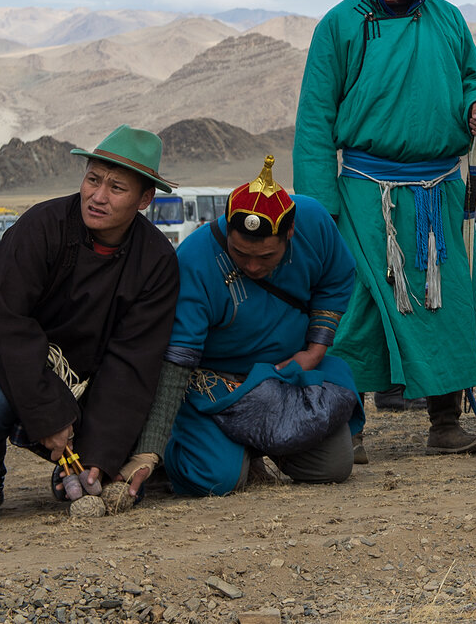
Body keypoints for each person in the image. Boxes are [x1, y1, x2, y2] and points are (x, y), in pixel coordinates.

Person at [293, 0, 476, 458]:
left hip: (440, 188)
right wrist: (318, 206)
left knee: (448, 303)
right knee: (360, 308)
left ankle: (445, 423)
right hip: (365, 192)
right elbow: (315, 121)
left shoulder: (448, 19)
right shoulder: (340, 25)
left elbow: (473, 82)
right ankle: (345, 430)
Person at [0, 126, 181, 521]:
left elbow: (132, 362)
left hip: (87, 385)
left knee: (110, 450)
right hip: (10, 360)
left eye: (117, 188)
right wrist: (49, 415)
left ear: (145, 199)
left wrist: (99, 460)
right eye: (92, 180)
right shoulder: (41, 226)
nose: (98, 196)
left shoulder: (156, 261)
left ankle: (74, 467)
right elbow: (4, 322)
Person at [139, 159, 363, 494]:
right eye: (240, 254)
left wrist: (315, 352)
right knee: (214, 479)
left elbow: (337, 278)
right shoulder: (194, 260)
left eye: (266, 257)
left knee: (330, 467)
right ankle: (182, 446)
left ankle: (249, 447)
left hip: (288, 375)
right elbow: (179, 356)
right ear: (227, 228)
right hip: (218, 388)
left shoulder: (312, 222)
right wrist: (149, 450)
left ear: (289, 233)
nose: (253, 266)